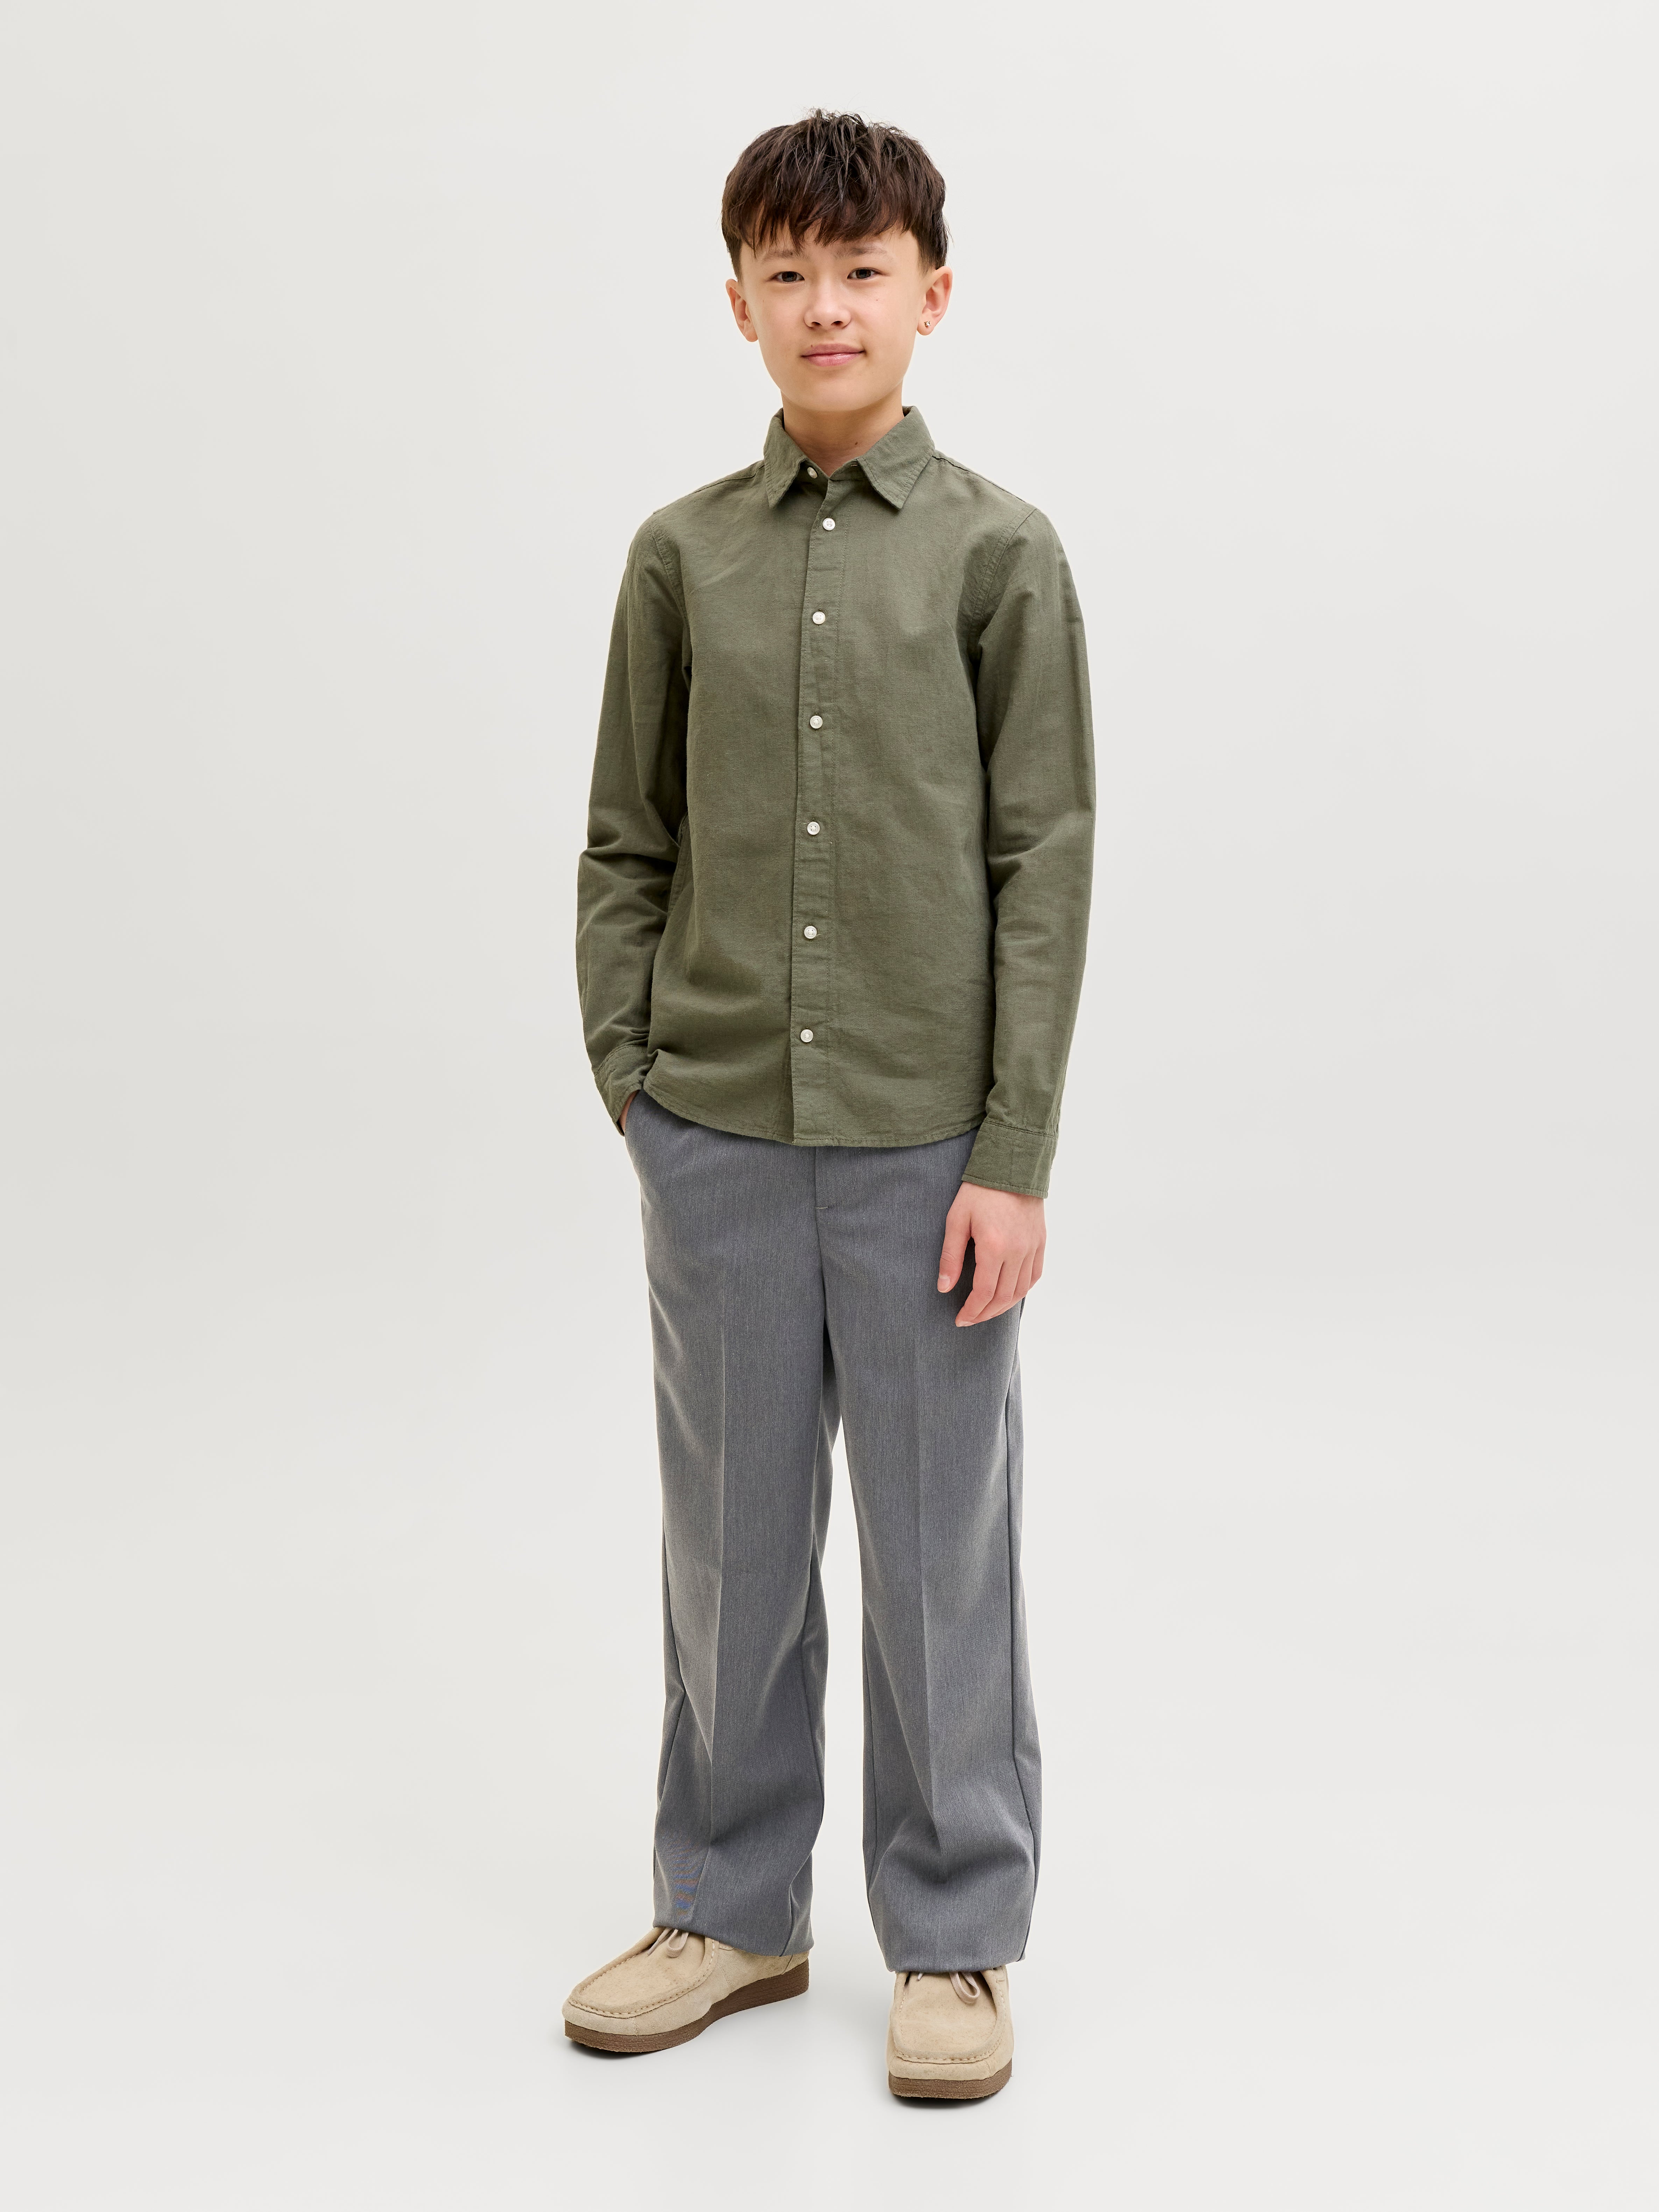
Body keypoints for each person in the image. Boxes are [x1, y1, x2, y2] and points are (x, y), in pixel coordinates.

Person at [566, 109, 1094, 2101]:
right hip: (713, 1133)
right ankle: (730, 1908)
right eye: (784, 272)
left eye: (860, 270)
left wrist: (1012, 1155)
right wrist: (635, 1081)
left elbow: (1043, 864)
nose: (825, 305)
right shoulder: (678, 555)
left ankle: (955, 1934)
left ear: (929, 294)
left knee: (941, 1553)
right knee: (730, 1546)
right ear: (738, 304)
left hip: (926, 1150)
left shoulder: (998, 555)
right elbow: (626, 838)